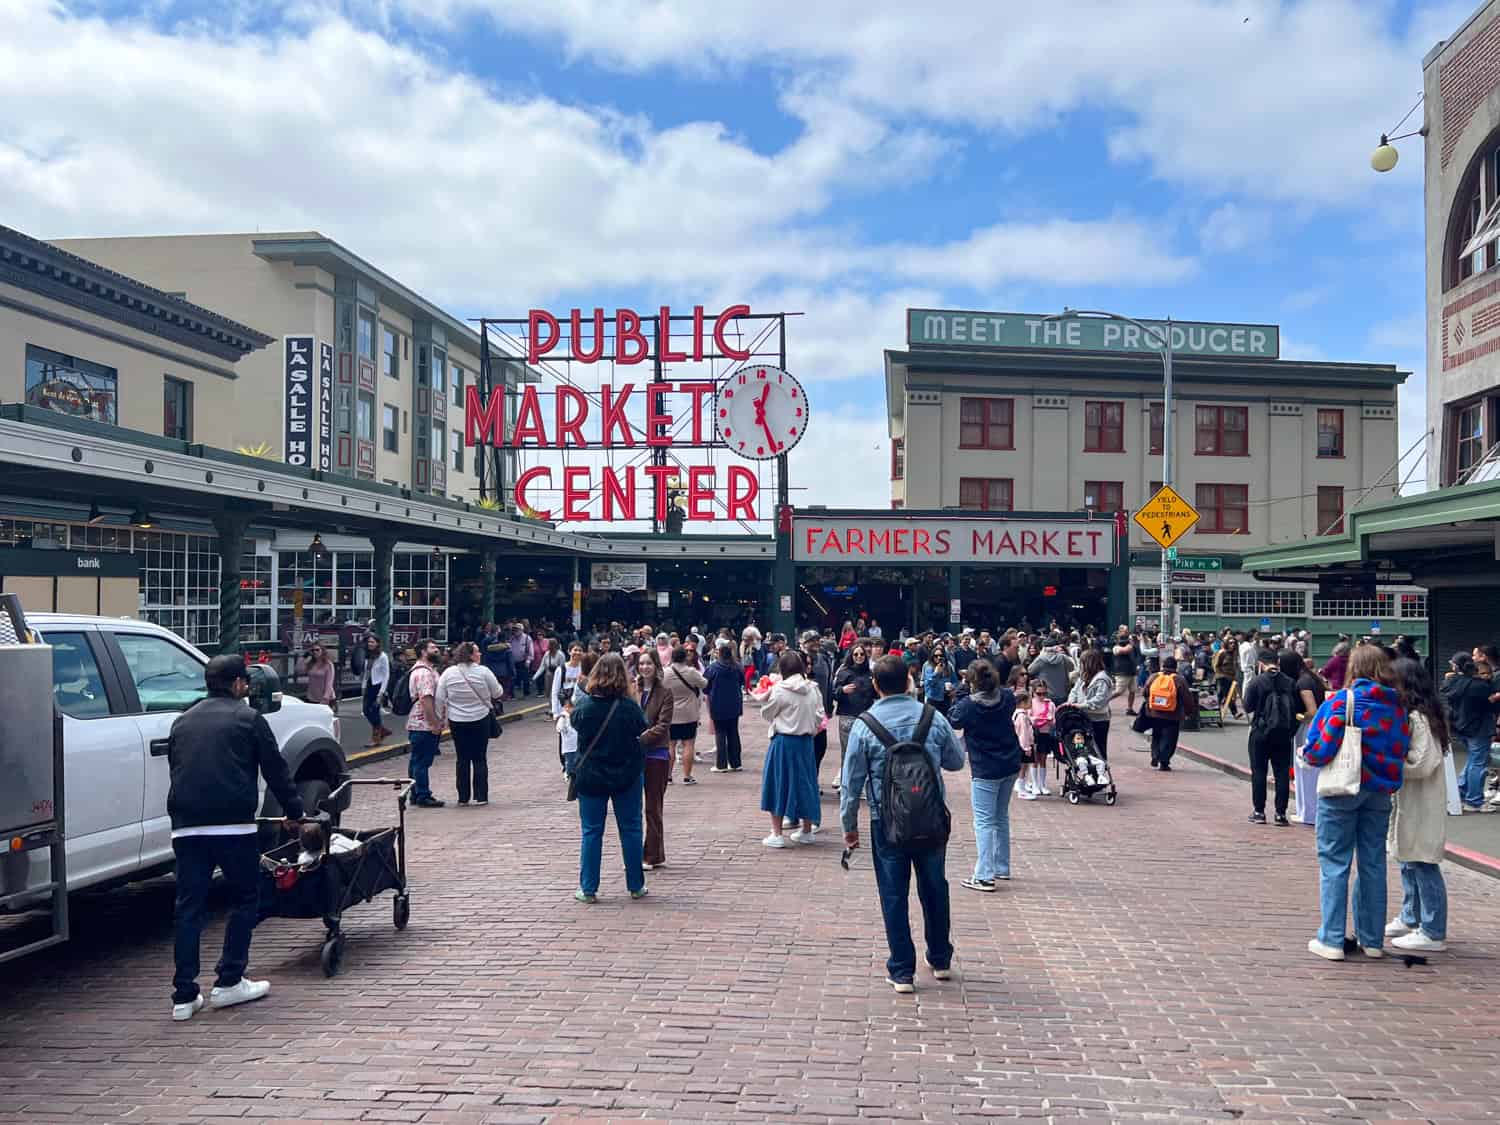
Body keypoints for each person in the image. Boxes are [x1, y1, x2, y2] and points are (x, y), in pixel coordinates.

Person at [166, 654, 305, 1021]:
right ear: (239, 684)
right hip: (233, 824)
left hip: (187, 826)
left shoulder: (182, 721)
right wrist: (295, 813)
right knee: (246, 898)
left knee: (188, 908)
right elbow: (276, 770)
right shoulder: (249, 718)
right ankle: (229, 980)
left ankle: (184, 995)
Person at [841, 654, 966, 993]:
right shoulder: (932, 716)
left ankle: (901, 971)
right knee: (935, 887)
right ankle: (940, 958)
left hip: (887, 821)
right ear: (910, 681)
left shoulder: (865, 725)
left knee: (894, 894)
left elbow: (851, 783)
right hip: (930, 816)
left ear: (876, 685)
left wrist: (849, 825)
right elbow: (956, 762)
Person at [1302, 644, 1410, 960]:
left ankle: (1332, 938)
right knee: (1373, 863)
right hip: (1379, 792)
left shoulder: (1343, 701)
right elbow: (1402, 748)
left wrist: (1306, 755)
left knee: (1335, 863)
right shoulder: (1397, 707)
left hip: (1342, 791)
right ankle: (1372, 939)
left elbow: (1319, 748)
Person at [568, 653, 650, 903]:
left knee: (591, 831)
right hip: (627, 773)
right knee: (631, 828)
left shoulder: (585, 707)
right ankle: (635, 885)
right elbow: (642, 728)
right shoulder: (628, 707)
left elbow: (575, 725)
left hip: (592, 775)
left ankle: (589, 888)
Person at [1385, 657, 1451, 953]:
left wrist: (1391, 763)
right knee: (1409, 860)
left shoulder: (1419, 719)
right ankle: (1412, 916)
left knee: (1423, 863)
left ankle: (1432, 928)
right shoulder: (1419, 715)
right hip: (1412, 800)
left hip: (1421, 801)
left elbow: (1422, 763)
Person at [949, 660, 1022, 892]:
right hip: (1009, 762)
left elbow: (953, 718)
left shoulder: (970, 704)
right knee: (1000, 816)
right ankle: (1001, 866)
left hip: (985, 767)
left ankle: (984, 875)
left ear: (971, 681)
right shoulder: (1007, 696)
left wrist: (962, 689)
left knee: (983, 821)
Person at [757, 650, 824, 847]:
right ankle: (806, 829)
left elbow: (767, 713)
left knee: (777, 783)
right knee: (807, 783)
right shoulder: (813, 688)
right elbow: (820, 715)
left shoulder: (780, 690)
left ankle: (777, 834)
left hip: (784, 742)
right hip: (805, 742)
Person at [436, 641, 503, 808]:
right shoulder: (483, 672)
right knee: (480, 757)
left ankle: (463, 797)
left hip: (457, 720)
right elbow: (497, 692)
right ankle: (481, 796)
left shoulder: (448, 673)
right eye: (477, 652)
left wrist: (441, 717)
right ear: (471, 655)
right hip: (480, 718)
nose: (480, 654)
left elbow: (439, 697)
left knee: (462, 758)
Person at [1243, 649, 1301, 826]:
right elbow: (1297, 709)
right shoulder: (1290, 682)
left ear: (1261, 664)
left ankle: (1259, 811)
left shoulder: (1257, 682)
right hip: (1283, 733)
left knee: (1259, 772)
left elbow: (1248, 706)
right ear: (1277, 662)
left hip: (1260, 732)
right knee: (1282, 772)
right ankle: (1280, 814)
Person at [1441, 653, 1497, 812]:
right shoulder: (1480, 686)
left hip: (1460, 725)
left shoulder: (1451, 683)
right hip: (1479, 727)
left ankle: (1462, 790)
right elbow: (1490, 704)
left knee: (1474, 760)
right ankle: (1474, 801)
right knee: (1478, 763)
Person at [635, 648, 674, 871]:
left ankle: (652, 855)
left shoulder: (665, 693)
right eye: (641, 664)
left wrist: (639, 739)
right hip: (634, 756)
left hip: (656, 755)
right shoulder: (634, 689)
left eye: (649, 663)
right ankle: (638, 854)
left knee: (652, 807)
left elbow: (663, 725)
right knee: (633, 808)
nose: (645, 668)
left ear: (657, 666)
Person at [833, 643, 876, 789]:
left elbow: (875, 694)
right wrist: (842, 690)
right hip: (848, 716)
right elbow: (834, 692)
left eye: (861, 654)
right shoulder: (844, 672)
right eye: (856, 654)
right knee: (848, 752)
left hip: (866, 717)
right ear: (851, 656)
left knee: (865, 752)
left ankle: (861, 785)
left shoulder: (870, 673)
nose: (859, 657)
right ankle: (845, 784)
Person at [664, 646, 707, 786]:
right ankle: (687, 776)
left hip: (671, 713)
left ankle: (668, 776)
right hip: (689, 713)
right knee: (688, 744)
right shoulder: (691, 672)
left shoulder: (666, 673)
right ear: (685, 657)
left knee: (670, 744)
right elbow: (704, 683)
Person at [1144, 655, 1196, 771]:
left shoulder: (1154, 676)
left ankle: (1155, 756)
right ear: (1175, 667)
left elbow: (1145, 691)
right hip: (1172, 715)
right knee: (1169, 739)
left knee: (1156, 736)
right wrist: (1189, 712)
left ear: (1163, 666)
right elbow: (1187, 698)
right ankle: (1164, 761)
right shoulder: (1179, 679)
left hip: (1155, 713)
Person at [704, 639, 745, 772]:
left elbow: (705, 686)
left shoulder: (713, 668)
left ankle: (721, 764)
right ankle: (736, 763)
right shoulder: (737, 667)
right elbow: (741, 682)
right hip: (734, 703)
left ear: (719, 654)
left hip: (718, 704)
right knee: (734, 732)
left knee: (720, 733)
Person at [1067, 649, 1113, 760]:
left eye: (1082, 662)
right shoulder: (1083, 677)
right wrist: (1071, 702)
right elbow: (1074, 690)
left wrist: (1080, 706)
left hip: (1098, 720)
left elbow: (1099, 701)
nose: (1080, 665)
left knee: (1099, 748)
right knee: (1081, 745)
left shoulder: (1102, 679)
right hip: (1082, 718)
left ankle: (1099, 771)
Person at [551, 643, 586, 769]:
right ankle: (565, 763)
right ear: (569, 651)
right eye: (575, 650)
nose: (577, 653)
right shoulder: (562, 669)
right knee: (564, 735)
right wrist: (556, 712)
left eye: (580, 650)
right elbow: (555, 691)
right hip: (564, 709)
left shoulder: (584, 669)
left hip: (579, 707)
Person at [360, 634, 390, 747]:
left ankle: (376, 738)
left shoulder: (383, 656)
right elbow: (366, 673)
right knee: (366, 710)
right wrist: (363, 686)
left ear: (377, 643)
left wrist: (381, 693)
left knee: (374, 711)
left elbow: (386, 675)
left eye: (372, 642)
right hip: (369, 685)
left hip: (378, 686)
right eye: (368, 642)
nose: (370, 644)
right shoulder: (368, 656)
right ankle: (381, 730)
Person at [1028, 634, 1075, 703]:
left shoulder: (1040, 659)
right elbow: (1072, 668)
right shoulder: (1063, 657)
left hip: (1045, 695)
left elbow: (1030, 671)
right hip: (1063, 694)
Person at [1028, 679, 1056, 795]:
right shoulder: (1030, 702)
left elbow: (1054, 720)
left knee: (1043, 759)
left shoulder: (1050, 704)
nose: (1042, 696)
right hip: (1034, 733)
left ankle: (1042, 784)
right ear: (1033, 692)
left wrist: (1050, 720)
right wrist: (1035, 719)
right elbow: (1028, 717)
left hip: (1045, 733)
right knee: (1034, 759)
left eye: (1044, 693)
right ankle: (1034, 784)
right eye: (1039, 693)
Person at [1110, 628, 1140, 715]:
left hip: (1131, 671)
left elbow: (1135, 654)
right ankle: (1103, 701)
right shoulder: (1116, 647)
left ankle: (1129, 708)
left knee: (1132, 690)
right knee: (1119, 691)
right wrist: (1131, 644)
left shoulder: (1131, 646)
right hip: (1122, 672)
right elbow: (1125, 650)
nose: (1124, 641)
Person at [303, 643, 338, 711]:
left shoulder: (328, 664)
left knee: (330, 719)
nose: (315, 652)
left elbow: (329, 682)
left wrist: (325, 698)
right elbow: (298, 670)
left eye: (317, 650)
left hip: (325, 698)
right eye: (313, 650)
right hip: (312, 697)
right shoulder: (311, 663)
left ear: (322, 651)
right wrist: (304, 657)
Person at [921, 648, 956, 715]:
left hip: (946, 697)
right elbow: (928, 683)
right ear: (932, 656)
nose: (939, 657)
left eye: (941, 655)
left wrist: (953, 689)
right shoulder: (929, 666)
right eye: (936, 656)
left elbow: (954, 680)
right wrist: (936, 673)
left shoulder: (948, 666)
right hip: (933, 698)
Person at [1211, 640, 1240, 719]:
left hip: (1231, 677)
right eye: (1230, 643)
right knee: (1226, 694)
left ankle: (1214, 712)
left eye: (1234, 643)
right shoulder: (1222, 653)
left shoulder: (1234, 653)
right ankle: (1235, 713)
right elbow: (1215, 665)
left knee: (1222, 695)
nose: (1232, 645)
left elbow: (1235, 666)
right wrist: (1221, 675)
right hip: (1222, 677)